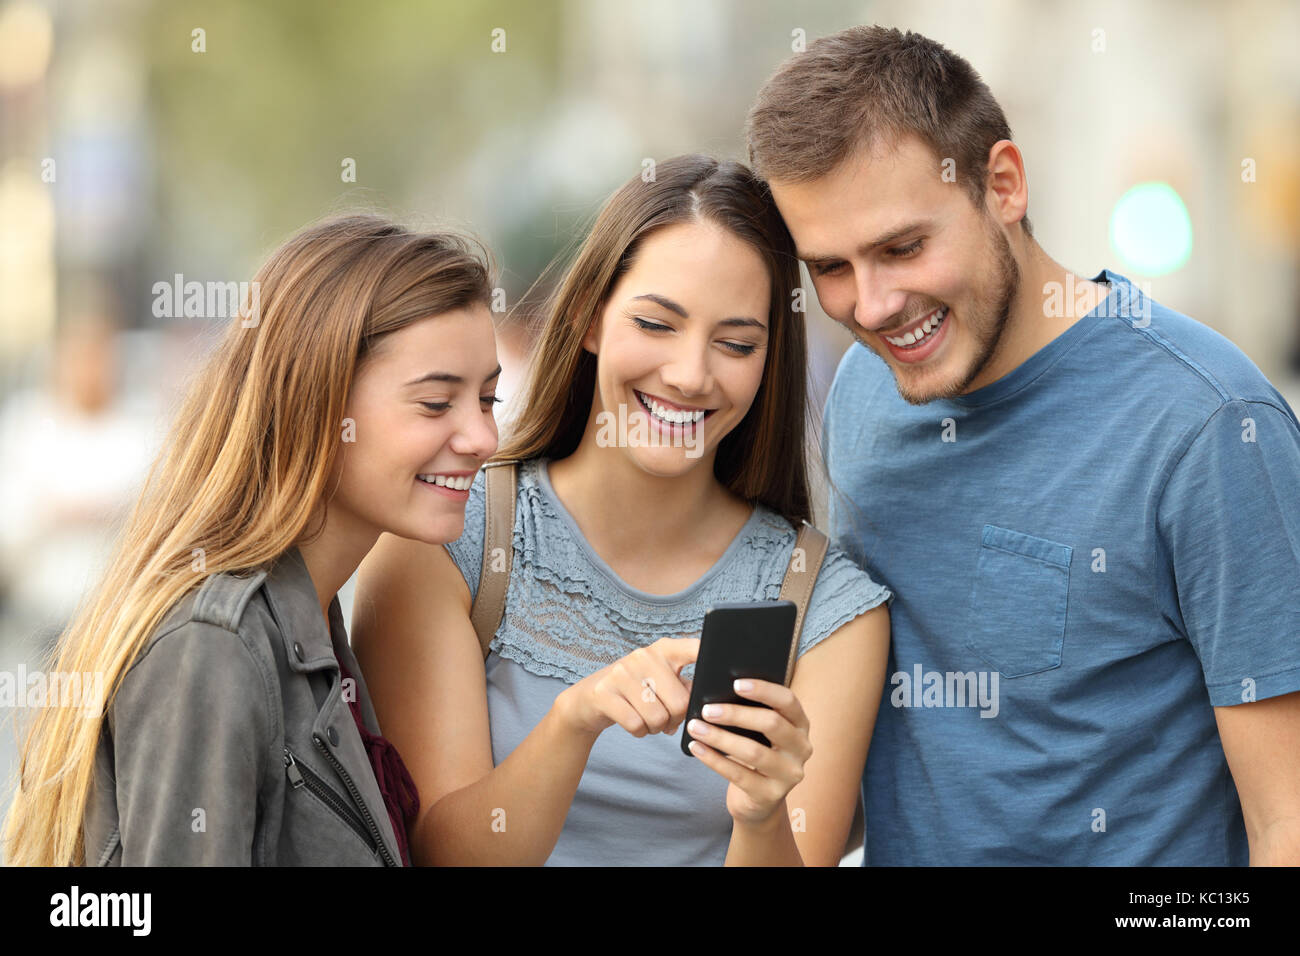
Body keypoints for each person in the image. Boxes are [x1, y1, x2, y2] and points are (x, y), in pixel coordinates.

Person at [746, 25, 1300, 865]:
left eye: (903, 247)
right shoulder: (864, 391)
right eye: (830, 267)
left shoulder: (1211, 425)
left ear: (1002, 185)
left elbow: (1286, 818)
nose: (872, 305)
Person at [351, 155, 893, 866]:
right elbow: (440, 858)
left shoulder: (827, 607)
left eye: (736, 344)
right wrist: (574, 722)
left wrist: (761, 814)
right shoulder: (448, 533)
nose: (691, 374)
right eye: (657, 324)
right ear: (588, 320)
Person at [1, 215, 502, 866]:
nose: (482, 438)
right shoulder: (214, 644)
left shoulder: (306, 615)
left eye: (489, 399)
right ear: (317, 401)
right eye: (437, 404)